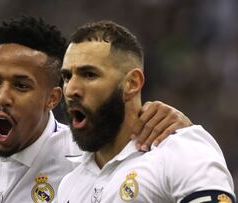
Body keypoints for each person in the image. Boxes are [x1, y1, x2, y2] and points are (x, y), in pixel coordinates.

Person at [0, 16, 192, 203]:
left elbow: (157, 176)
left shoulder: (82, 157)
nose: (2, 97)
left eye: (21, 86)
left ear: (53, 98)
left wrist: (178, 128)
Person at [57, 20, 236, 203]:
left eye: (89, 74)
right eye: (67, 77)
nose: (71, 90)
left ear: (132, 83)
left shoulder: (179, 151)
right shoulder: (70, 184)